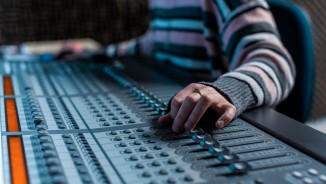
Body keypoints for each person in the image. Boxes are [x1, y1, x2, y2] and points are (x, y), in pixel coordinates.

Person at [61, 0, 295, 133]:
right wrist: (97, 53)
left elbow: (276, 61)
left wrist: (225, 91)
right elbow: (151, 44)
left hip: (211, 123)